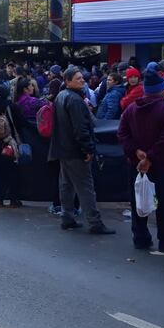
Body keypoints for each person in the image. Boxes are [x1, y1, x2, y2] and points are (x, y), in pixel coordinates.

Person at [119, 63, 164, 252]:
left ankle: (141, 238)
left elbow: (122, 134)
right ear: (161, 90)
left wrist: (136, 152)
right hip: (161, 165)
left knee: (138, 202)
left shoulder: (131, 109)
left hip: (135, 164)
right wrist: (149, 157)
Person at [48, 67, 115, 234]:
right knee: (85, 187)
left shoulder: (62, 96)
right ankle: (94, 222)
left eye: (82, 78)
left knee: (66, 185)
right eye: (78, 79)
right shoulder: (75, 100)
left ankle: (67, 217)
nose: (82, 80)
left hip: (64, 149)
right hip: (75, 150)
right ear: (68, 81)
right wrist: (87, 149)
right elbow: (81, 128)